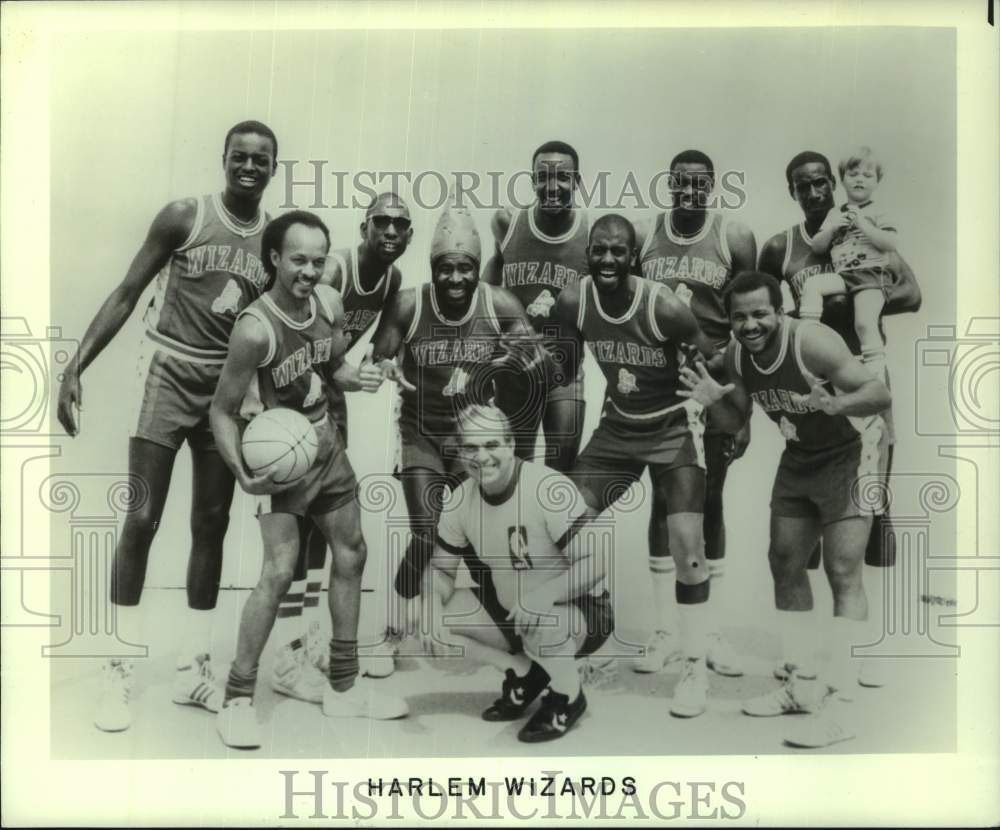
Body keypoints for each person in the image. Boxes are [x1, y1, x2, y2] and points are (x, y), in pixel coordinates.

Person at [56, 120, 279, 733]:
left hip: (224, 390)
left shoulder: (275, 239)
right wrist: (75, 366)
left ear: (274, 170)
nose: (249, 168)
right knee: (143, 517)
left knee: (211, 522)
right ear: (224, 159)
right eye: (240, 157)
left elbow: (285, 321)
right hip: (165, 371)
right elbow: (129, 290)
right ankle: (117, 669)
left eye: (262, 161)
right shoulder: (184, 215)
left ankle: (192, 668)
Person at [210, 210, 408, 749]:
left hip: (325, 444)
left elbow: (333, 365)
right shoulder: (255, 328)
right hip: (283, 458)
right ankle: (236, 698)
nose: (310, 270)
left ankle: (342, 687)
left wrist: (363, 376)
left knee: (352, 554)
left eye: (319, 260)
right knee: (278, 572)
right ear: (274, 258)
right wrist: (243, 475)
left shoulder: (330, 301)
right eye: (298, 259)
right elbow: (222, 411)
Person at [679, 271, 891, 748]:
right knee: (784, 561)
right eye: (740, 316)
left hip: (849, 453)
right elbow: (737, 419)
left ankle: (840, 705)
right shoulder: (735, 355)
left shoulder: (812, 342)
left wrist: (836, 406)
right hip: (799, 459)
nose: (750, 324)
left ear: (781, 310)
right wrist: (714, 402)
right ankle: (801, 684)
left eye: (760, 313)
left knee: (842, 570)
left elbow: (879, 394)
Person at [758, 150, 921, 685]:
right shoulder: (783, 246)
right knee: (802, 526)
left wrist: (851, 299)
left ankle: (864, 645)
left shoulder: (861, 226)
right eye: (802, 186)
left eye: (821, 183)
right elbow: (764, 309)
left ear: (834, 183)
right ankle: (810, 647)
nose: (813, 193)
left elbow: (911, 293)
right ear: (792, 191)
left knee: (870, 512)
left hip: (863, 380)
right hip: (810, 385)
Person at [550, 214, 722, 718]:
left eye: (617, 251)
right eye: (598, 250)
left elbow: (714, 364)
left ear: (633, 257)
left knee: (689, 547)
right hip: (620, 427)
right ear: (588, 253)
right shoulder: (571, 300)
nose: (607, 259)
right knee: (559, 522)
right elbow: (564, 363)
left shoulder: (663, 305)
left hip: (672, 428)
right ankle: (593, 635)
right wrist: (532, 357)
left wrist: (730, 418)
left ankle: (693, 667)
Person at [367, 203, 545, 650]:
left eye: (465, 268)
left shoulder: (498, 302)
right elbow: (378, 355)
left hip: (472, 443)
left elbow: (538, 358)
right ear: (433, 268)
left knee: (483, 540)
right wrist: (384, 366)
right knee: (427, 533)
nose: (456, 279)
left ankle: (511, 628)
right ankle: (392, 632)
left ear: (476, 268)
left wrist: (507, 362)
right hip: (421, 434)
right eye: (445, 269)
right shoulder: (409, 303)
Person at [272, 192, 414, 698]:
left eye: (401, 224)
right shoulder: (335, 269)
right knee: (295, 523)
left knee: (326, 522)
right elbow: (290, 331)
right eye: (382, 222)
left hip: (327, 390)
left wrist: (385, 364)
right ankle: (288, 653)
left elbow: (373, 353)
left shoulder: (393, 280)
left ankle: (308, 634)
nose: (391, 232)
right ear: (364, 228)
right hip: (293, 391)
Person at [634, 149, 757, 677]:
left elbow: (751, 321)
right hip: (658, 382)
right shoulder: (645, 232)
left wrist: (742, 405)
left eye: (699, 183)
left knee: (711, 500)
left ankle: (711, 631)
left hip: (712, 381)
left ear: (712, 187)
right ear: (668, 185)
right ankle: (667, 628)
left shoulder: (733, 236)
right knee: (664, 500)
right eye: (679, 183)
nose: (688, 191)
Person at [424, 404, 613, 742]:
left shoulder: (546, 488)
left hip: (579, 612)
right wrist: (431, 608)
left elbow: (596, 563)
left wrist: (545, 596)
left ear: (511, 444)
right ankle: (525, 673)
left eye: (491, 445)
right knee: (425, 616)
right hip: (513, 611)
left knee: (544, 620)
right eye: (470, 447)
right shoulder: (458, 499)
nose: (481, 457)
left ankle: (568, 697)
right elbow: (441, 569)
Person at [482, 140, 589, 472]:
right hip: (515, 369)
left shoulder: (591, 234)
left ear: (577, 182)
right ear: (532, 180)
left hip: (564, 370)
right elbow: (490, 280)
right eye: (543, 177)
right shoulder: (507, 222)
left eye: (562, 177)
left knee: (561, 473)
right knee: (511, 470)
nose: (552, 186)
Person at [801, 146, 898, 382]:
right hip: (844, 274)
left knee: (864, 324)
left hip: (871, 275)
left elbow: (890, 242)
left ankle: (875, 374)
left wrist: (864, 225)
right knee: (813, 285)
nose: (860, 180)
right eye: (853, 175)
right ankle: (807, 337)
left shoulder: (879, 210)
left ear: (877, 182)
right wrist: (833, 227)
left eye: (867, 176)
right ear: (842, 180)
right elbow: (818, 246)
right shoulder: (835, 213)